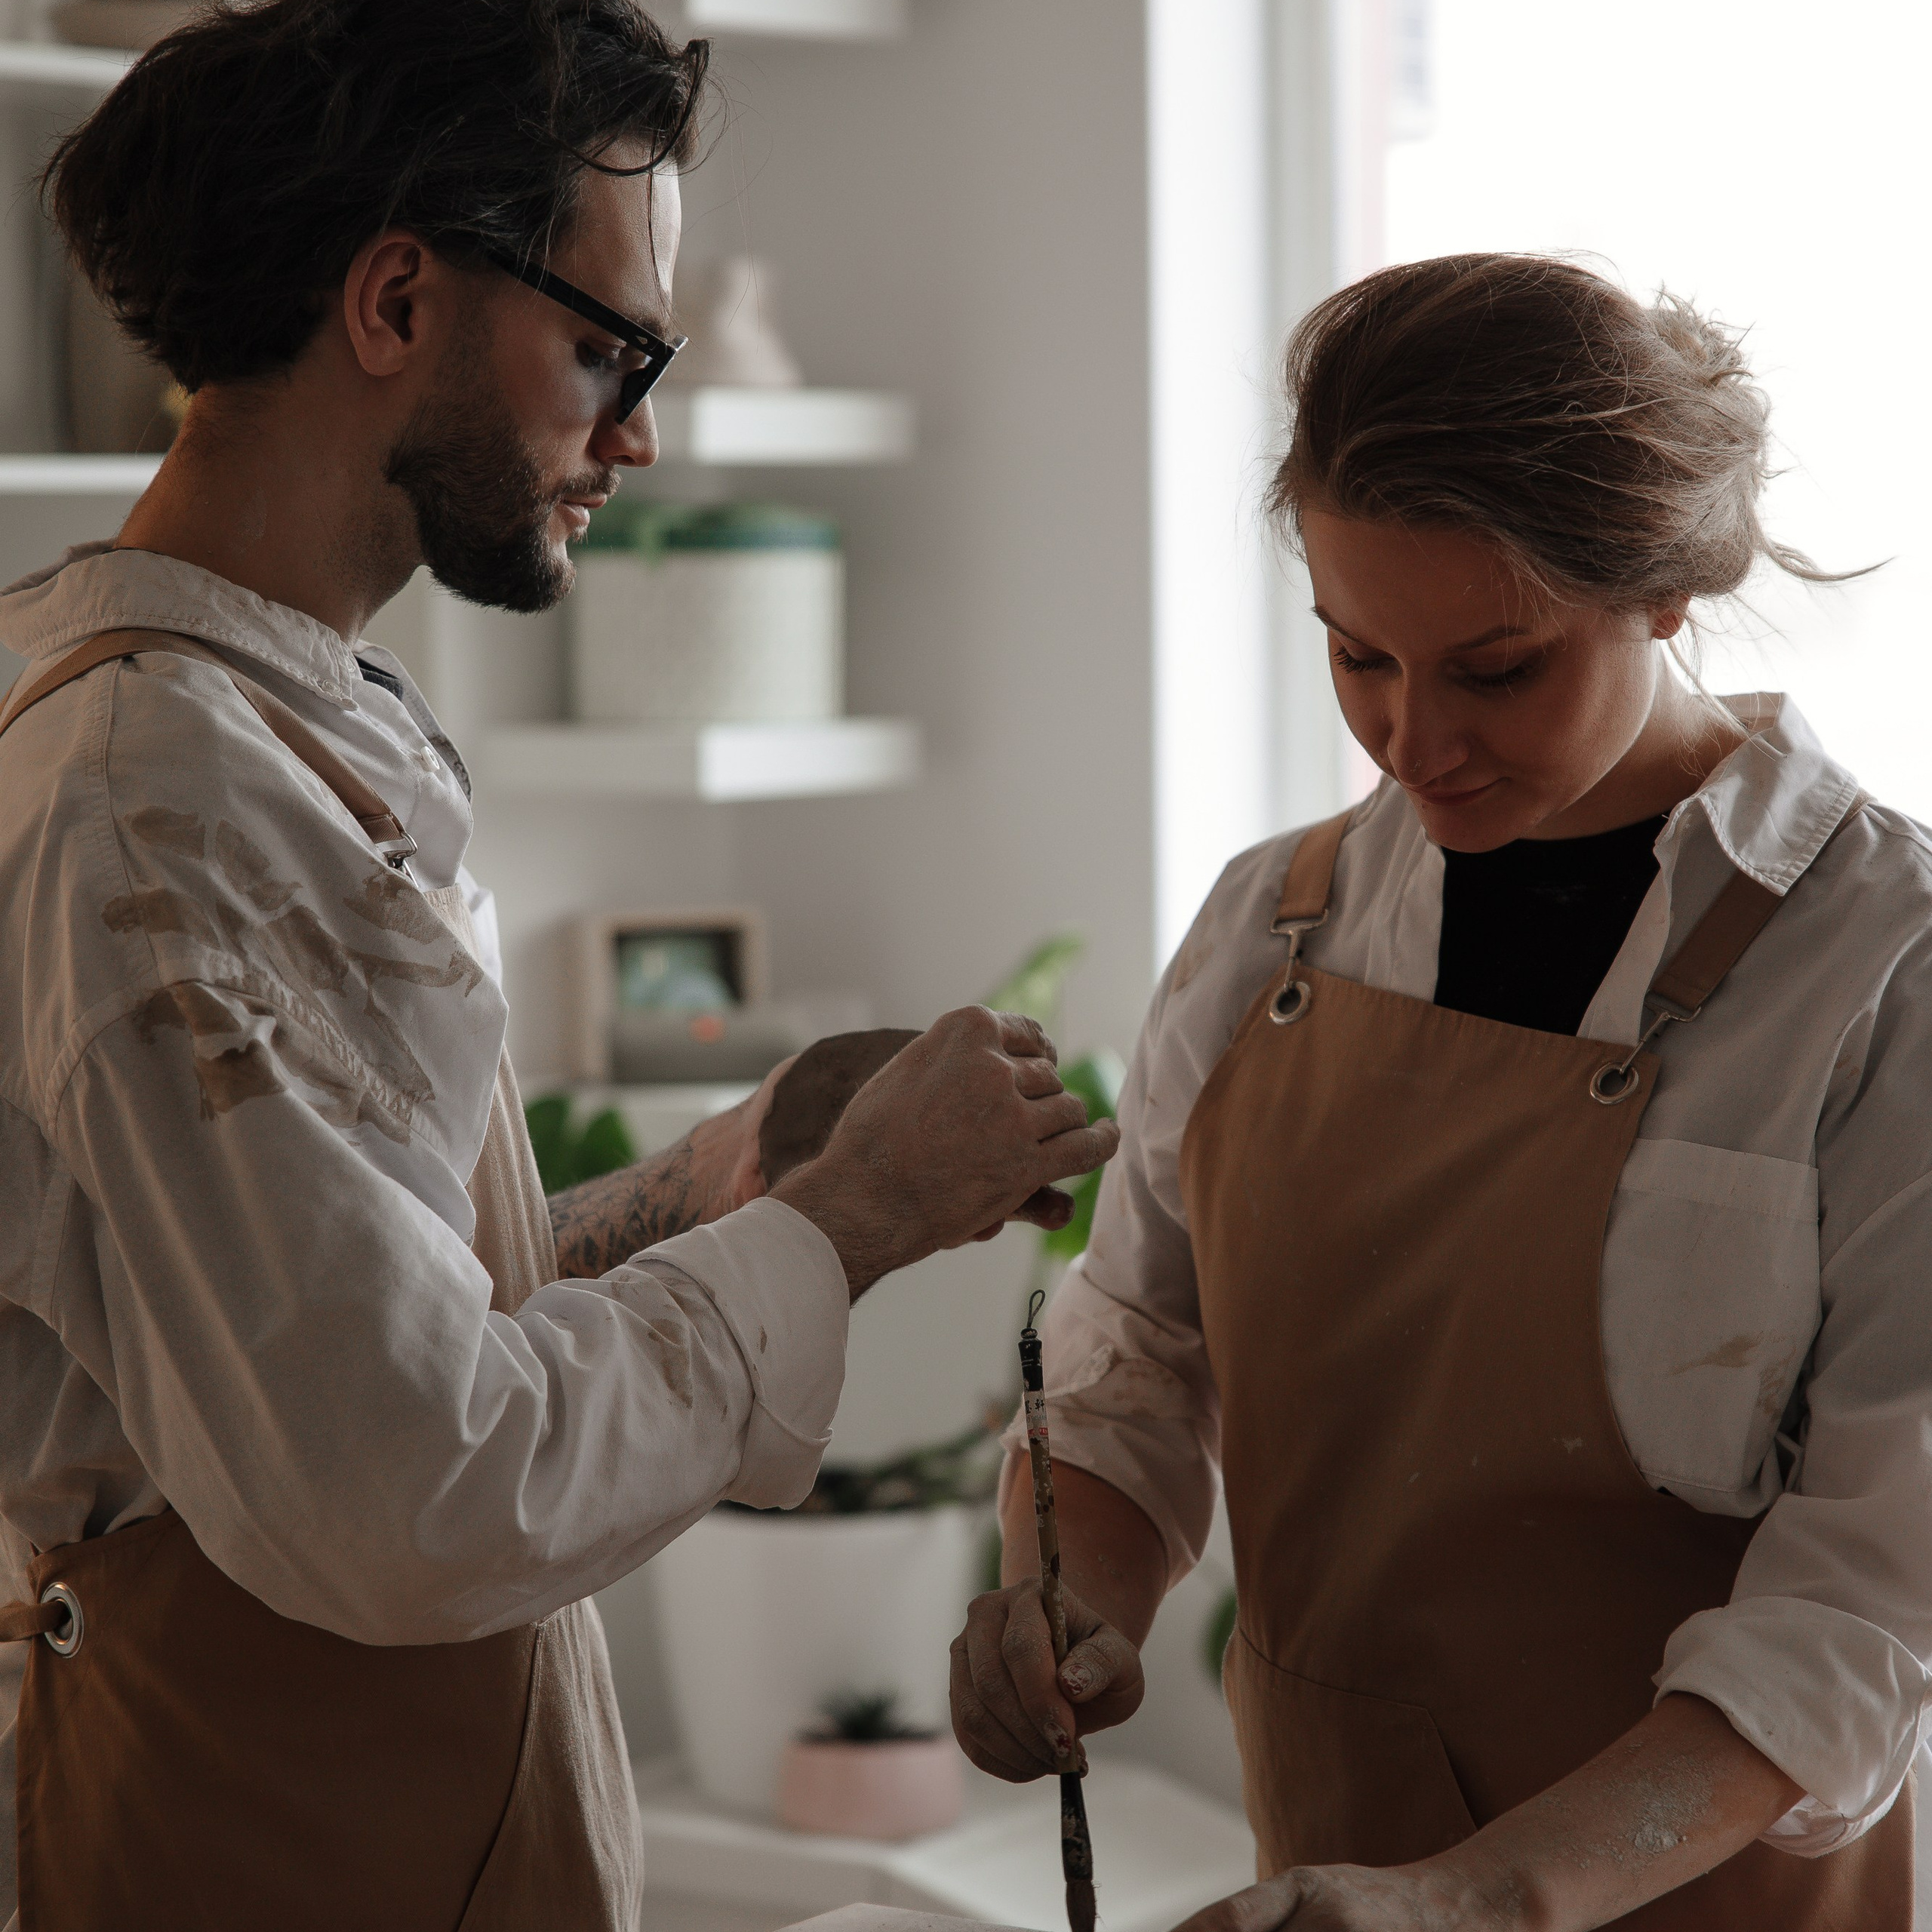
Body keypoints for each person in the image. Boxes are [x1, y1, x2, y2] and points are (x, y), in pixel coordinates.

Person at [0, 4, 1118, 1927]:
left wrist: (738, 1162)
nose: (640, 430)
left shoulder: (284, 737)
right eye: (609, 346)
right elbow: (419, 1486)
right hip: (264, 1835)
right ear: (393, 299)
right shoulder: (152, 813)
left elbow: (375, 1309)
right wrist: (840, 1224)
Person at [950, 253, 1932, 1930]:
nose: (1412, 742)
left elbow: (1867, 1599)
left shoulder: (1877, 971)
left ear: (1666, 588)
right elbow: (1135, 1354)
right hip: (1323, 1876)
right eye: (1355, 658)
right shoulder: (1272, 925)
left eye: (1495, 668)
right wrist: (1062, 1595)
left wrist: (1477, 1900)